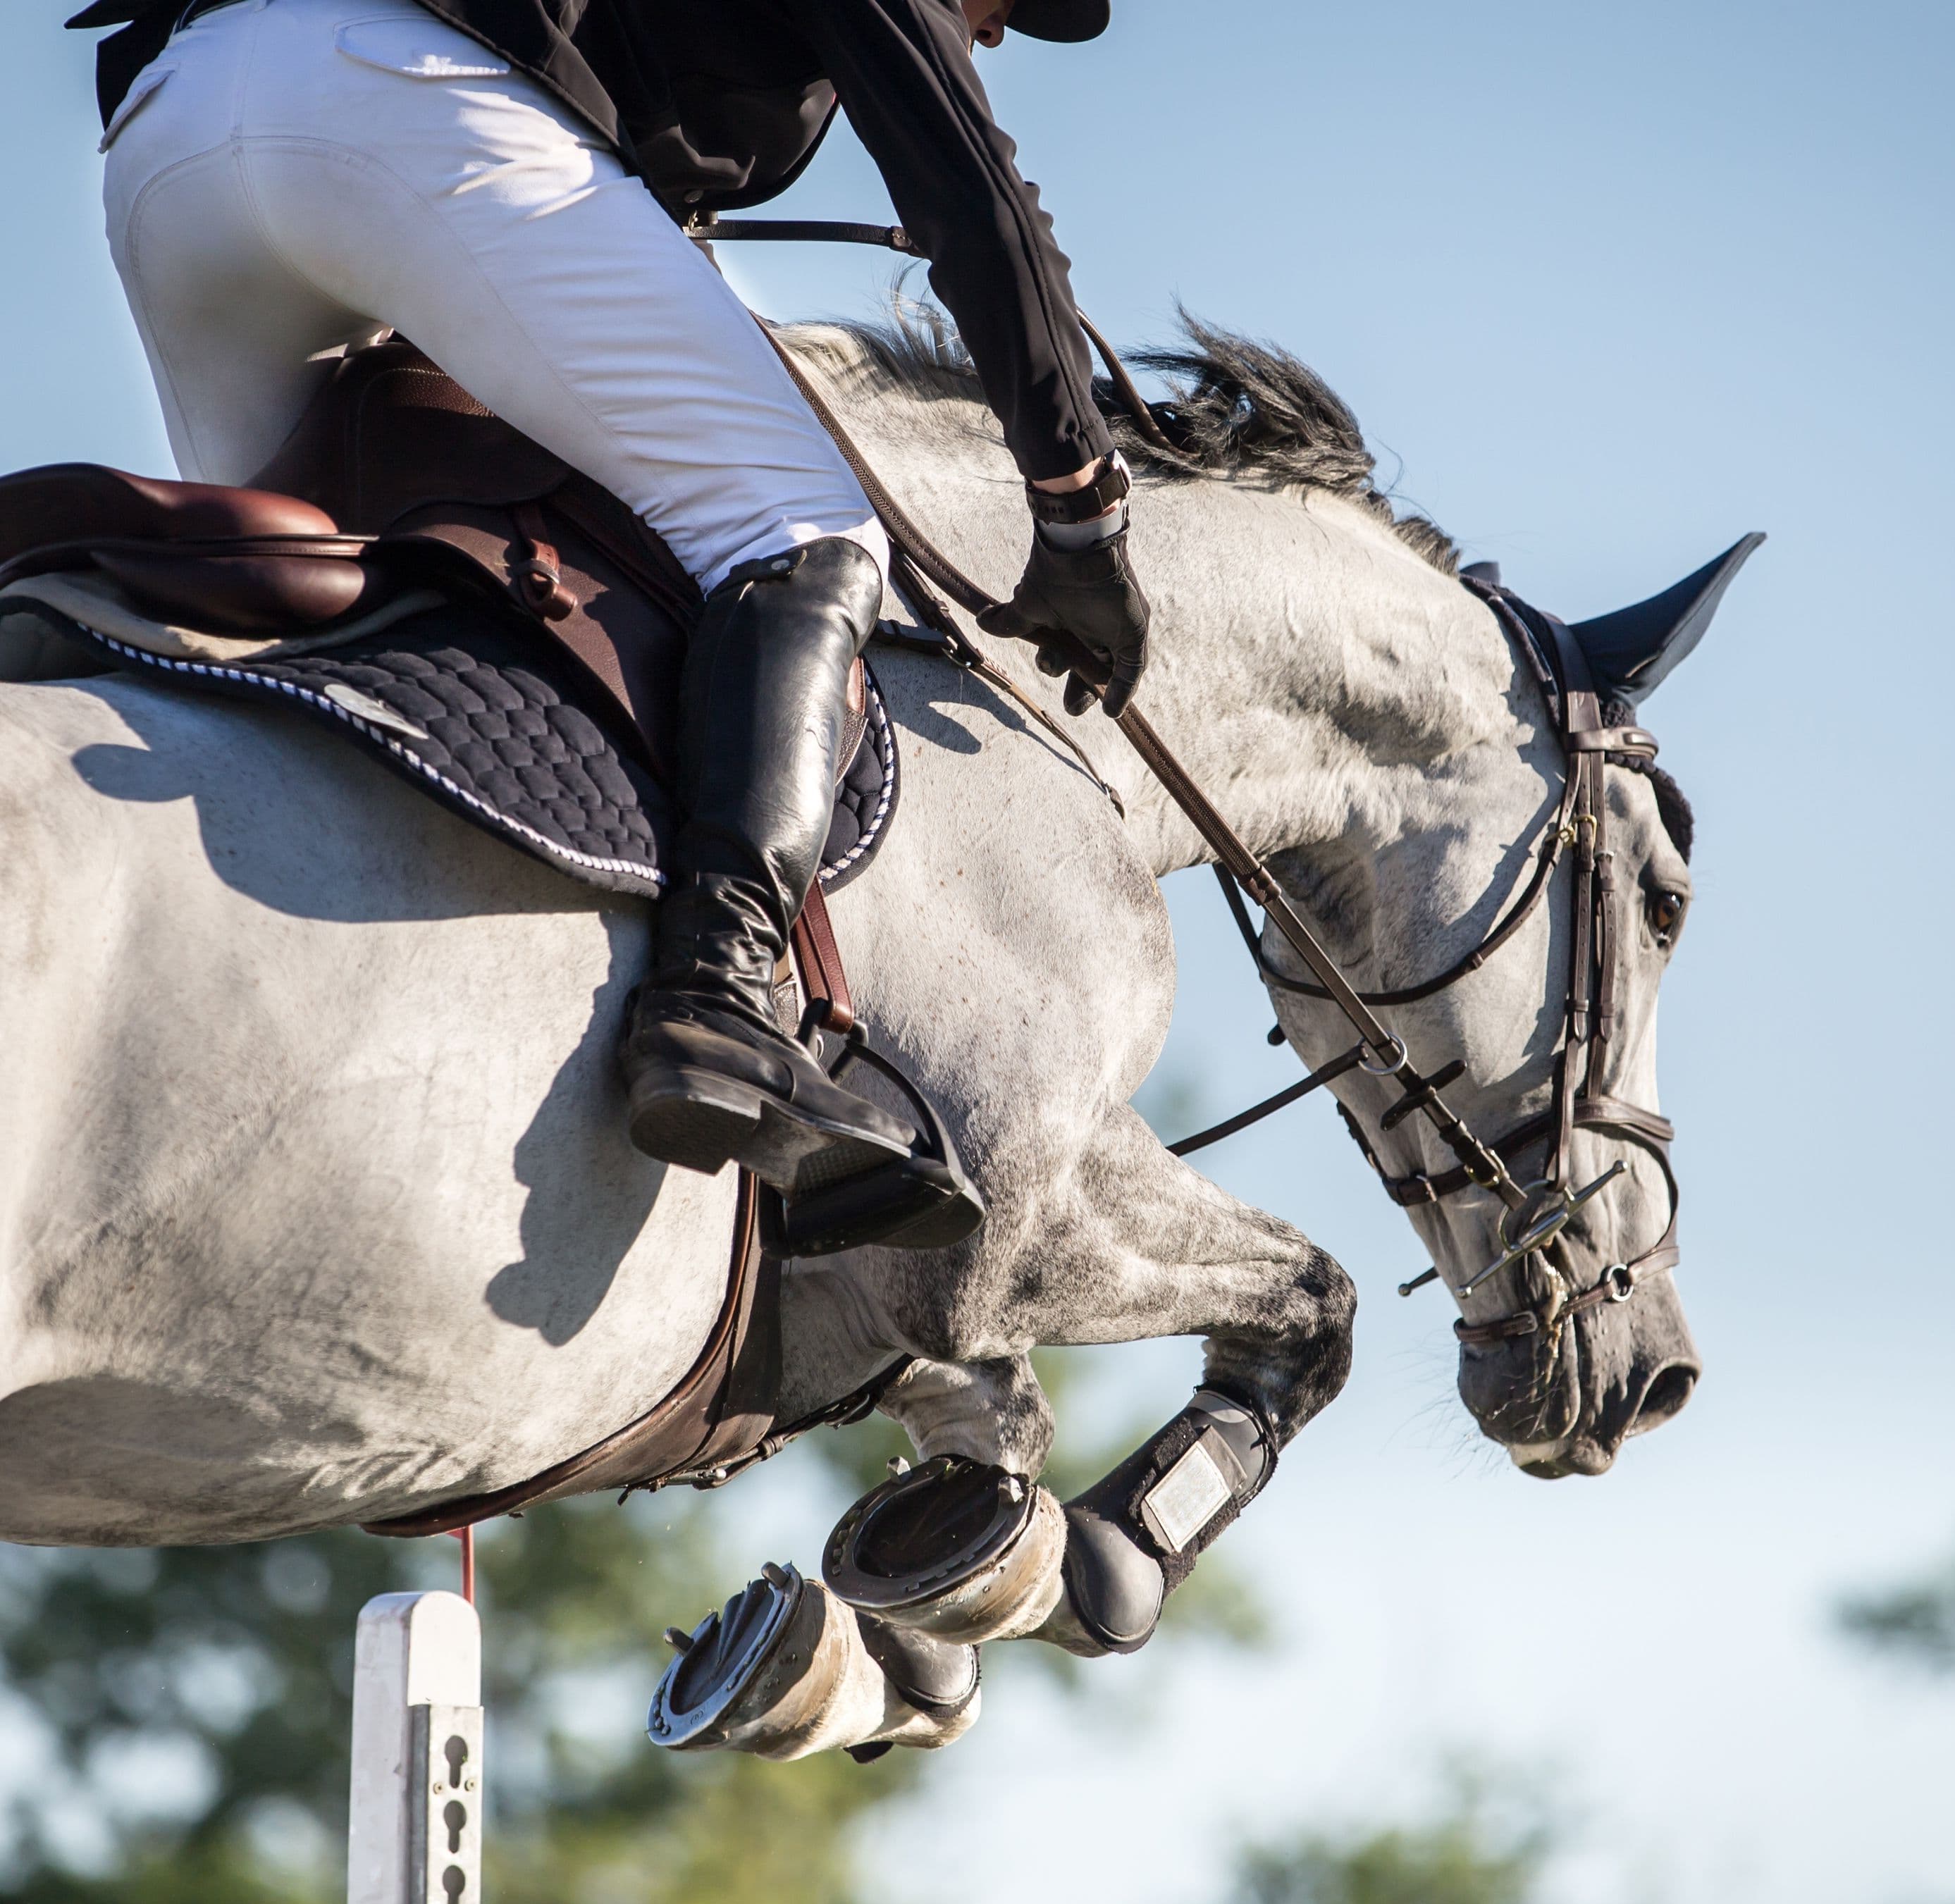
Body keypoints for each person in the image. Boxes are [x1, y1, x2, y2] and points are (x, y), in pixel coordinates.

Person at [72, 0, 1151, 1245]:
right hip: (398, 97)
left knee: (294, 608)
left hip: (175, 132)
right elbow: (973, 194)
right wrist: (1079, 509)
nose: (999, 31)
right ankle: (720, 992)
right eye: (1012, 3)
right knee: (803, 528)